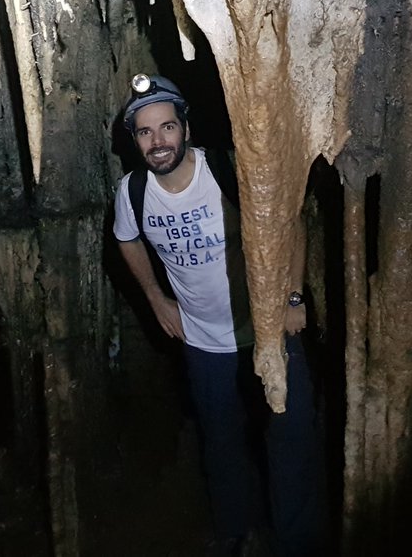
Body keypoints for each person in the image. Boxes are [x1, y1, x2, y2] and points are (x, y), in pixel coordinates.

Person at [112, 74, 323, 556]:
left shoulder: (227, 170)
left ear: (185, 128)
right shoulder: (133, 192)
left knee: (290, 436)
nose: (158, 141)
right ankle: (236, 534)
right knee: (222, 443)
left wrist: (292, 298)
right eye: (145, 132)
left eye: (167, 127)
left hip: (268, 328)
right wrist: (156, 298)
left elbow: (290, 222)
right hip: (204, 341)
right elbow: (127, 239)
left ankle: (297, 542)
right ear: (135, 140)